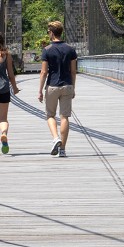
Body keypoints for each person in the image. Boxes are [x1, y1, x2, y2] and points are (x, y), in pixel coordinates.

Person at [37, 20, 78, 157]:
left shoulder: (47, 50)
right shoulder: (70, 49)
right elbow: (73, 71)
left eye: (48, 32)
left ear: (51, 33)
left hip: (52, 86)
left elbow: (44, 72)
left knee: (50, 115)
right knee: (65, 116)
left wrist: (40, 90)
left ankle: (56, 138)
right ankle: (63, 150)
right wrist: (73, 87)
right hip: (67, 85)